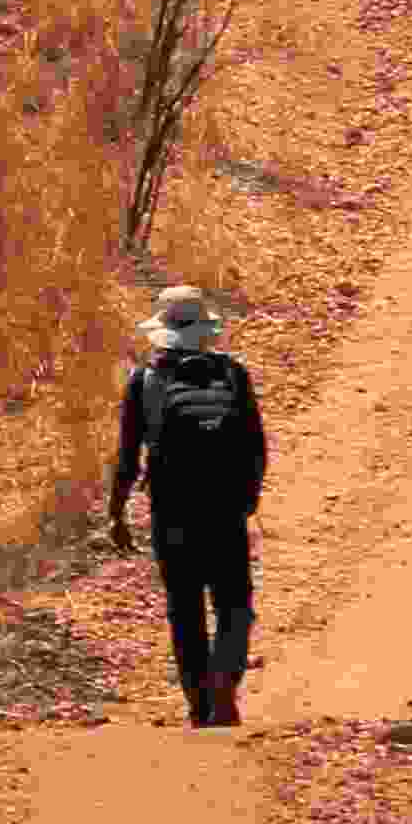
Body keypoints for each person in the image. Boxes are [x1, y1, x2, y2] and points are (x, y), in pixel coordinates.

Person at [105, 283, 269, 727]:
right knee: (235, 604)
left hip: (172, 513)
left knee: (185, 608)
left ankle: (199, 705)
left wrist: (117, 512)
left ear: (161, 332)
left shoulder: (144, 381)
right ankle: (224, 685)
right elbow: (255, 445)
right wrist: (246, 500)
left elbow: (127, 455)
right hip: (225, 511)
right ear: (206, 331)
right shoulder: (234, 373)